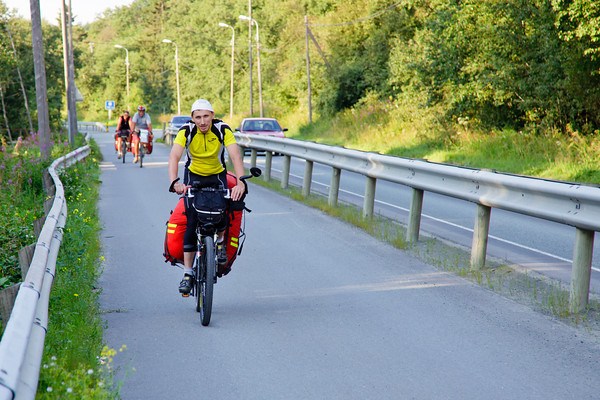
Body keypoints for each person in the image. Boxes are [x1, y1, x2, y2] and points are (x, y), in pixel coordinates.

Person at [168, 98, 246, 295]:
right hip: (193, 177)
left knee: (222, 211)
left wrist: (241, 181)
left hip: (216, 176)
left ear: (212, 115)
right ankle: (187, 274)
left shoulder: (222, 129)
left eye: (206, 116)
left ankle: (220, 242)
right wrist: (175, 182)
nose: (202, 122)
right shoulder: (187, 131)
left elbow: (235, 154)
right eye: (198, 117)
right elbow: (174, 156)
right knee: (192, 220)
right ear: (192, 118)